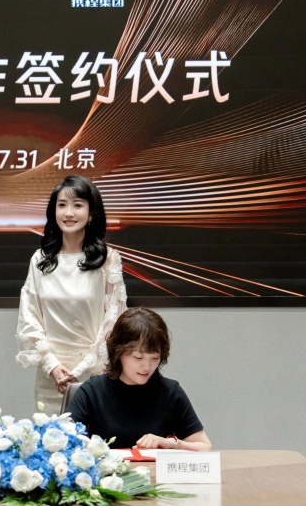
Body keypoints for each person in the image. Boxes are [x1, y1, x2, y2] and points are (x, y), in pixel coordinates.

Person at [16, 175, 127, 414]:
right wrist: (52, 365)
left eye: (77, 205)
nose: (69, 213)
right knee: (49, 435)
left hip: (94, 372)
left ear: (91, 213)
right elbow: (29, 316)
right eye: (62, 205)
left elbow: (114, 320)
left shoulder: (107, 259)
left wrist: (82, 369)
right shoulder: (40, 260)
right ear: (53, 211)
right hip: (51, 376)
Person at [66, 307, 212, 451]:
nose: (147, 366)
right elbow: (64, 440)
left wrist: (172, 444)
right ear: (118, 352)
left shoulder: (170, 391)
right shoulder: (92, 390)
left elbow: (205, 446)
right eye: (138, 357)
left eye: (154, 358)